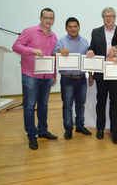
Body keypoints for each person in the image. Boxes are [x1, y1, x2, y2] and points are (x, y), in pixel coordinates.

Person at [12, 8, 58, 150]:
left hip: (47, 76)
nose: (48, 20)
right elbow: (16, 46)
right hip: (31, 75)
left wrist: (54, 75)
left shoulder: (54, 36)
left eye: (51, 18)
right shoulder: (30, 31)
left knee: (43, 106)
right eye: (45, 17)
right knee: (30, 107)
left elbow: (53, 57)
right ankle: (32, 135)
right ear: (40, 18)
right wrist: (31, 51)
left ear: (54, 20)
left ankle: (43, 131)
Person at [52, 17, 92, 140]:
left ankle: (80, 126)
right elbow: (53, 57)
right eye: (70, 27)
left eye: (75, 26)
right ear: (66, 28)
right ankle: (68, 129)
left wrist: (90, 75)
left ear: (79, 27)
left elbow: (88, 60)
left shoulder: (85, 42)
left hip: (81, 79)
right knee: (67, 105)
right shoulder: (61, 42)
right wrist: (59, 52)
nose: (73, 29)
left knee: (81, 104)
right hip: (67, 79)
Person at [86, 7, 116, 139]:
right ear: (102, 18)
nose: (108, 18)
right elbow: (92, 48)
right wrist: (90, 51)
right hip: (101, 73)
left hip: (116, 72)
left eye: (110, 15)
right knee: (101, 101)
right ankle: (100, 128)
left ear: (115, 17)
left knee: (115, 102)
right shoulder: (95, 32)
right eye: (105, 16)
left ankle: (114, 129)